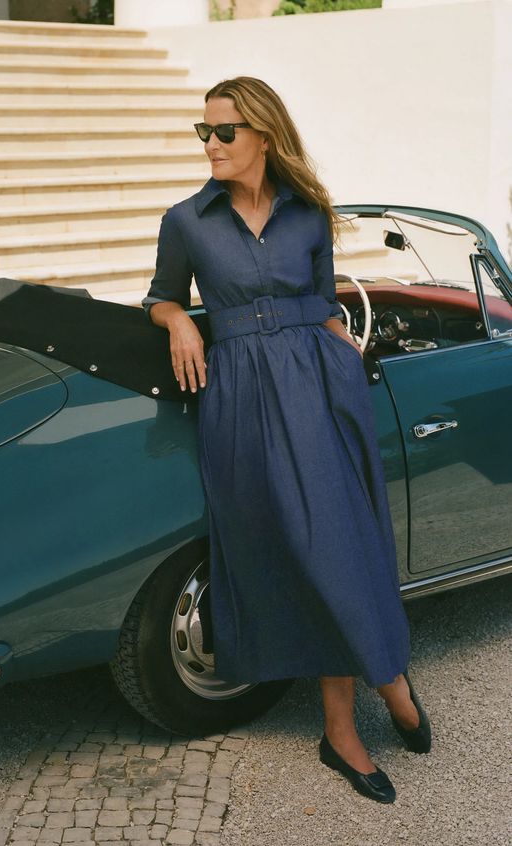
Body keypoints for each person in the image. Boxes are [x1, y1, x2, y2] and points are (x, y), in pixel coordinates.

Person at [141, 76, 431, 804]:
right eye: (202, 131)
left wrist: (349, 373)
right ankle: (384, 683)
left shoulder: (310, 214)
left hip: (323, 389)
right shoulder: (187, 220)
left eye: (224, 132)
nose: (210, 144)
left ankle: (349, 719)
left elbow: (328, 306)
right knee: (299, 554)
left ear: (263, 136)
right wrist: (177, 321)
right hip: (242, 400)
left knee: (345, 542)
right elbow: (162, 294)